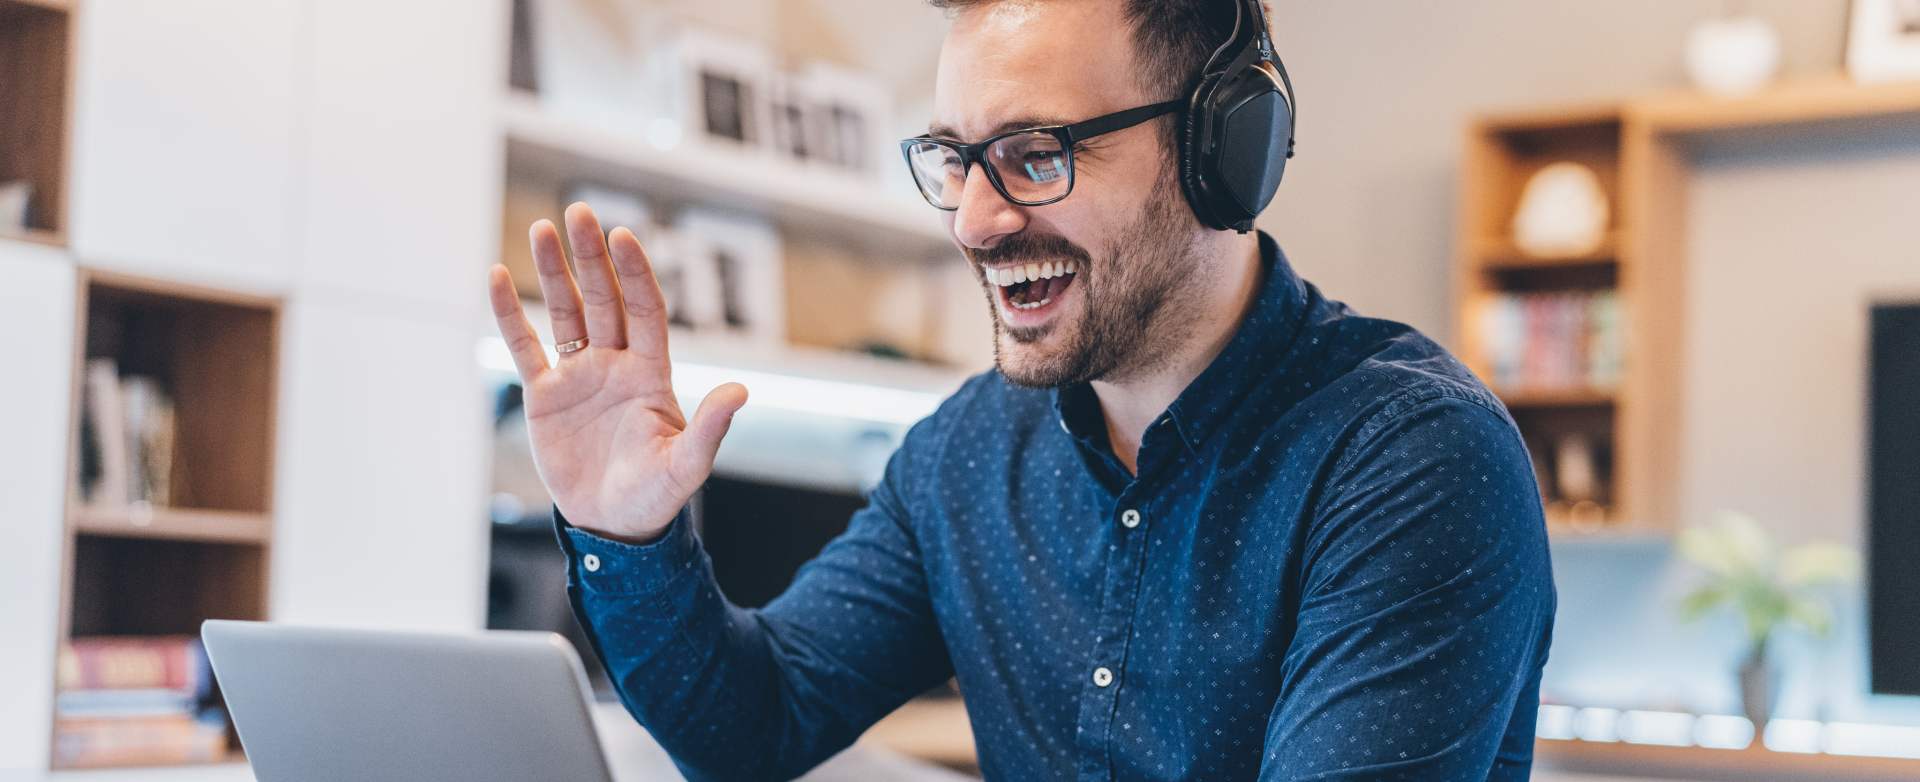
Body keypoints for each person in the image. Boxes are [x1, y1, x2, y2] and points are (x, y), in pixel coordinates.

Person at [484, 0, 1555, 779]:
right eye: (956, 158)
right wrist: (625, 536)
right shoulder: (963, 456)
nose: (976, 220)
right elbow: (755, 723)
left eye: (1037, 154)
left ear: (1222, 148)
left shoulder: (1413, 456)